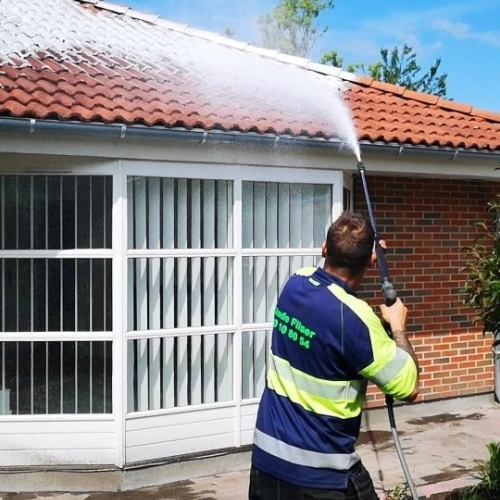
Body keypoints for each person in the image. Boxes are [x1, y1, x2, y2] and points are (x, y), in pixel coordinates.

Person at [249, 211, 419, 500]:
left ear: (324, 249)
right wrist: (398, 325)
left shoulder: (294, 285)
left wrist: (364, 251)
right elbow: (409, 387)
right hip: (321, 478)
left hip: (266, 466)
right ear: (370, 261)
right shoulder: (357, 321)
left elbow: (329, 293)